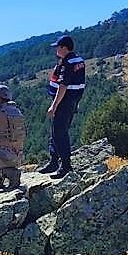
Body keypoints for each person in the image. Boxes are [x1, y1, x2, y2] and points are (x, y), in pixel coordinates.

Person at [38, 35, 86, 178]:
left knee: (59, 133)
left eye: (58, 47)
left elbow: (63, 86)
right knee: (57, 131)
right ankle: (54, 161)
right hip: (71, 100)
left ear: (64, 48)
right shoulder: (78, 60)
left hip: (64, 101)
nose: (56, 50)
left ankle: (65, 166)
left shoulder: (68, 63)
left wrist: (54, 106)